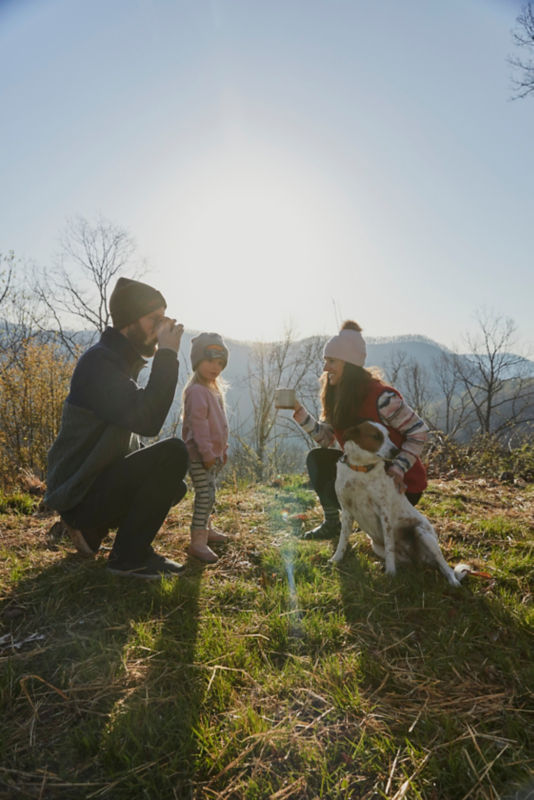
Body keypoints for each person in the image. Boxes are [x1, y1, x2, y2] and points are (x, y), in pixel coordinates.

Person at [44, 277, 190, 579]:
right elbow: (149, 421)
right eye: (155, 319)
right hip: (78, 493)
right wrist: (167, 354)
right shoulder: (99, 364)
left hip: (90, 487)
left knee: (173, 486)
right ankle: (128, 557)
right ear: (129, 321)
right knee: (173, 454)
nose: (161, 327)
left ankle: (91, 528)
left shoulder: (116, 362)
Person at [292, 320, 429, 539]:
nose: (326, 368)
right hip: (366, 474)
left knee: (338, 484)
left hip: (399, 484)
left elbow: (419, 432)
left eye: (332, 361)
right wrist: (301, 415)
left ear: (349, 364)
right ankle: (332, 525)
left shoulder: (382, 398)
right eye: (326, 360)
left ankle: (386, 527)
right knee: (318, 460)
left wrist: (400, 468)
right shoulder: (337, 396)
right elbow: (327, 439)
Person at [181, 332, 229, 563]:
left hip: (212, 455)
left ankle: (206, 530)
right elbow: (199, 427)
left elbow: (219, 426)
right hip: (199, 455)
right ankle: (197, 542)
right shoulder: (197, 392)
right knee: (205, 495)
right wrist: (208, 454)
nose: (215, 367)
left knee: (210, 493)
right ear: (198, 361)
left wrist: (222, 450)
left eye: (220, 363)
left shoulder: (212, 390)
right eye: (210, 361)